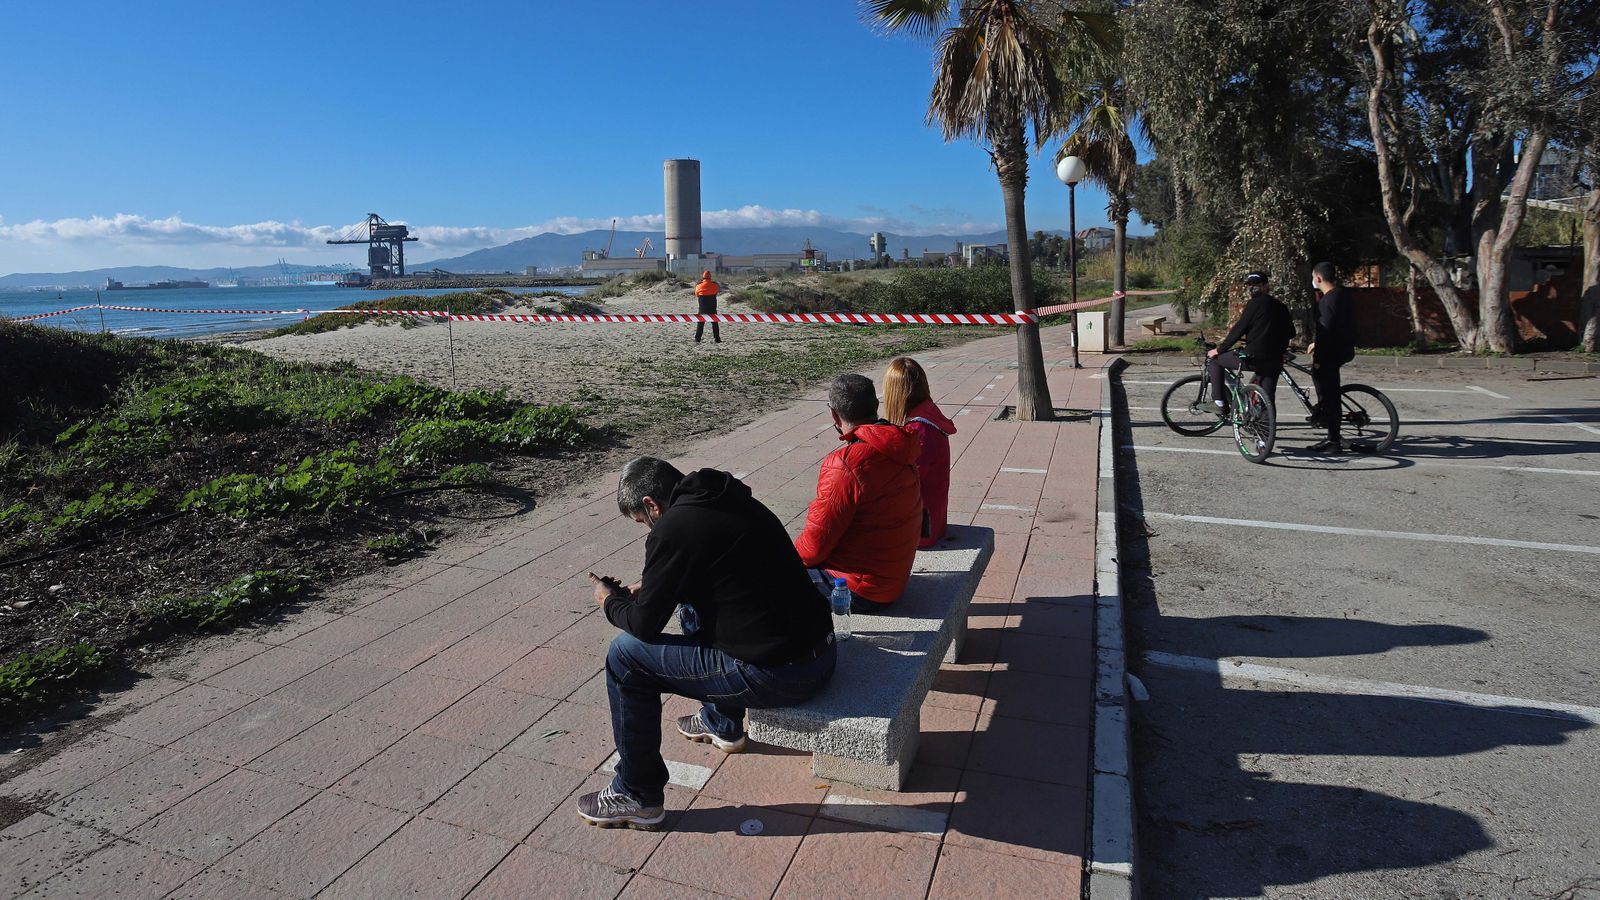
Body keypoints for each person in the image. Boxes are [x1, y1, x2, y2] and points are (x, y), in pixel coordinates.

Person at [577, 457, 835, 830]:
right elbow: (713, 568)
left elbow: (643, 626)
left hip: (779, 674)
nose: (646, 528)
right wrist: (653, 586)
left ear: (651, 505)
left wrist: (608, 600)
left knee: (624, 657)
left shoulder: (674, 529)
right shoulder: (724, 498)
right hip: (820, 653)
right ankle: (720, 720)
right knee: (692, 610)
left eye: (642, 521)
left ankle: (637, 794)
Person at [795, 373, 923, 613]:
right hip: (891, 576)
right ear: (875, 407)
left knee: (758, 573)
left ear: (834, 414)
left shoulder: (845, 464)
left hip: (860, 589)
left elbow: (813, 549)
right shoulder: (899, 444)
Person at [883, 357, 956, 548]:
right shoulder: (929, 414)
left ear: (894, 393)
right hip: (933, 520)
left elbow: (904, 484)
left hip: (920, 530)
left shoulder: (918, 431)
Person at [1208, 271, 1295, 410]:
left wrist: (1219, 350)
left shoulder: (1254, 304)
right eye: (1249, 285)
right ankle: (1266, 427)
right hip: (1275, 359)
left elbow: (1238, 329)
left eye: (1257, 285)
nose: (1252, 288)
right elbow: (1291, 332)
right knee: (1267, 397)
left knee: (1215, 361)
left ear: (1266, 285)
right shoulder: (1280, 306)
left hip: (1254, 358)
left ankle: (1219, 403)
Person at [1307, 261, 1358, 453]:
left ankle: (1333, 440)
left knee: (1328, 395)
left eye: (1313, 277)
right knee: (1331, 393)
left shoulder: (1327, 301)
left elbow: (1326, 330)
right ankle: (1331, 430)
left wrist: (1318, 353)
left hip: (1330, 353)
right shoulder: (1343, 295)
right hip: (1345, 349)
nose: (1313, 281)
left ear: (1318, 278)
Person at [693, 270, 721, 344]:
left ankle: (697, 338)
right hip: (712, 308)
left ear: (703, 277)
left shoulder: (698, 286)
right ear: (710, 277)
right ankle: (717, 338)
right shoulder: (715, 285)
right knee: (715, 323)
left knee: (700, 324)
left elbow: (696, 294)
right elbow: (716, 291)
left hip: (702, 308)